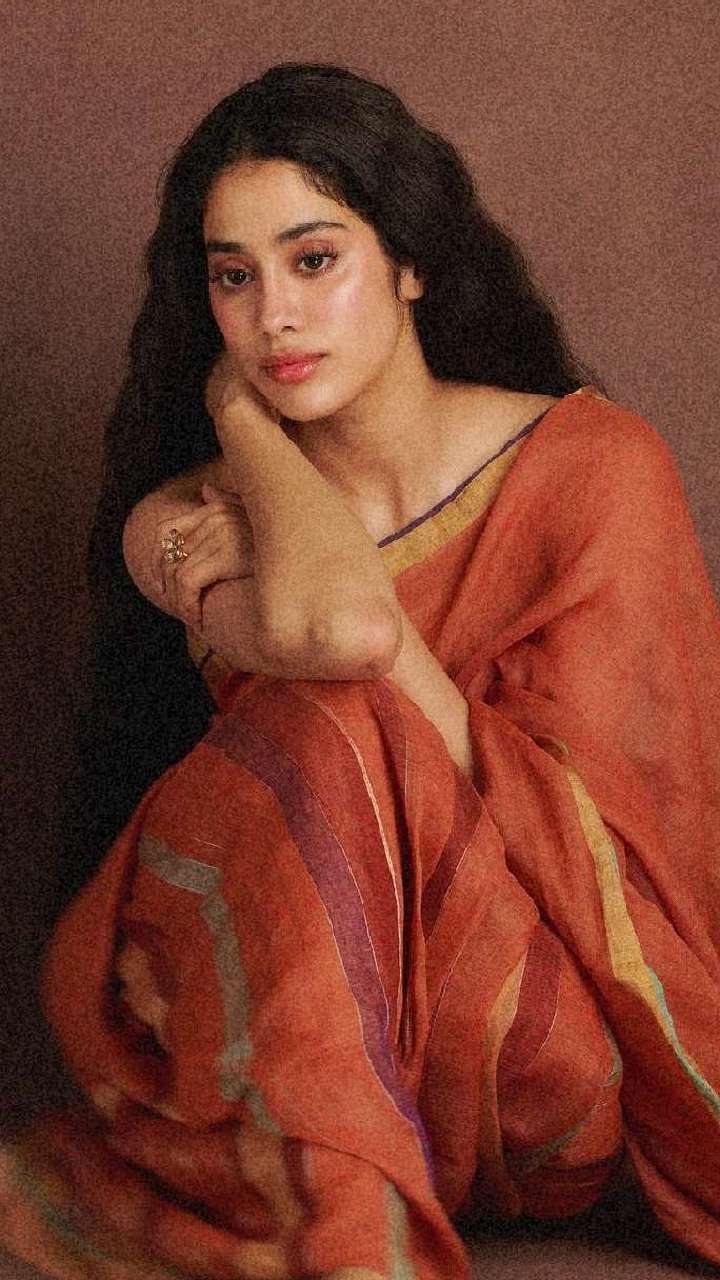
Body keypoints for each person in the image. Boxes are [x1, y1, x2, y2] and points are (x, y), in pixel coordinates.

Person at [2, 60, 720, 1280]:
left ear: (411, 263)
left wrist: (246, 434)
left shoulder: (595, 469)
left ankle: (340, 1229)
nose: (273, 315)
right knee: (314, 728)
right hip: (272, 1046)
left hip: (534, 1066)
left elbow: (354, 643)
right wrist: (250, 436)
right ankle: (349, 1233)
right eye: (234, 276)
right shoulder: (182, 515)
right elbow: (337, 631)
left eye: (314, 259)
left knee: (328, 712)